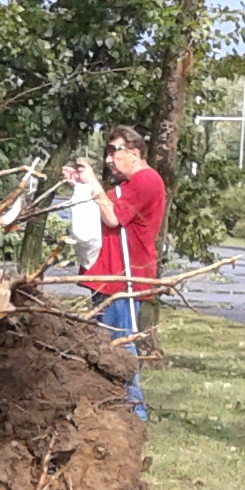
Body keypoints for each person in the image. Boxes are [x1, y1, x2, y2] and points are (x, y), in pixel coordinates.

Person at [66, 126, 164, 419]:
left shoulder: (146, 181)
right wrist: (81, 186)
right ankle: (112, 412)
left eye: (113, 151)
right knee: (104, 347)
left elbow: (111, 216)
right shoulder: (130, 184)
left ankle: (136, 416)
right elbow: (103, 206)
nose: (108, 159)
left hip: (124, 278)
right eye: (106, 152)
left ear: (133, 153)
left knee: (120, 348)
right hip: (110, 278)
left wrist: (92, 181)